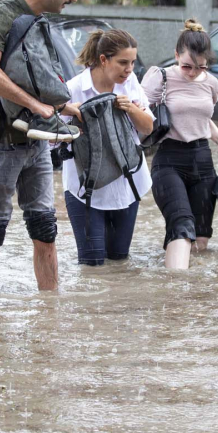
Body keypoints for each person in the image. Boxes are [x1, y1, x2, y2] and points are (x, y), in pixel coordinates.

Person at [0, 0, 84, 291]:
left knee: (45, 229)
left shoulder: (41, 22)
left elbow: (35, 78)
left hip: (35, 140)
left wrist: (64, 107)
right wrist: (35, 105)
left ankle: (50, 317)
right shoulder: (0, 15)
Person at [141, 19, 218, 270]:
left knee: (201, 237)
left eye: (200, 67)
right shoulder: (159, 78)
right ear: (176, 55)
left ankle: (195, 297)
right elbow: (137, 112)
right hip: (168, 161)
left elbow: (203, 121)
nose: (193, 72)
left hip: (202, 161)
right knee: (182, 225)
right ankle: (176, 291)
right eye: (186, 66)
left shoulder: (212, 84)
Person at [60, 29, 154, 266]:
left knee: (119, 264)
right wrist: (72, 119)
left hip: (127, 186)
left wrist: (131, 109)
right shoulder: (73, 90)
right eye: (123, 62)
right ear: (103, 59)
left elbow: (148, 128)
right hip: (85, 192)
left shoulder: (130, 83)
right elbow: (52, 139)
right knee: (91, 266)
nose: (129, 69)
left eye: (132, 62)